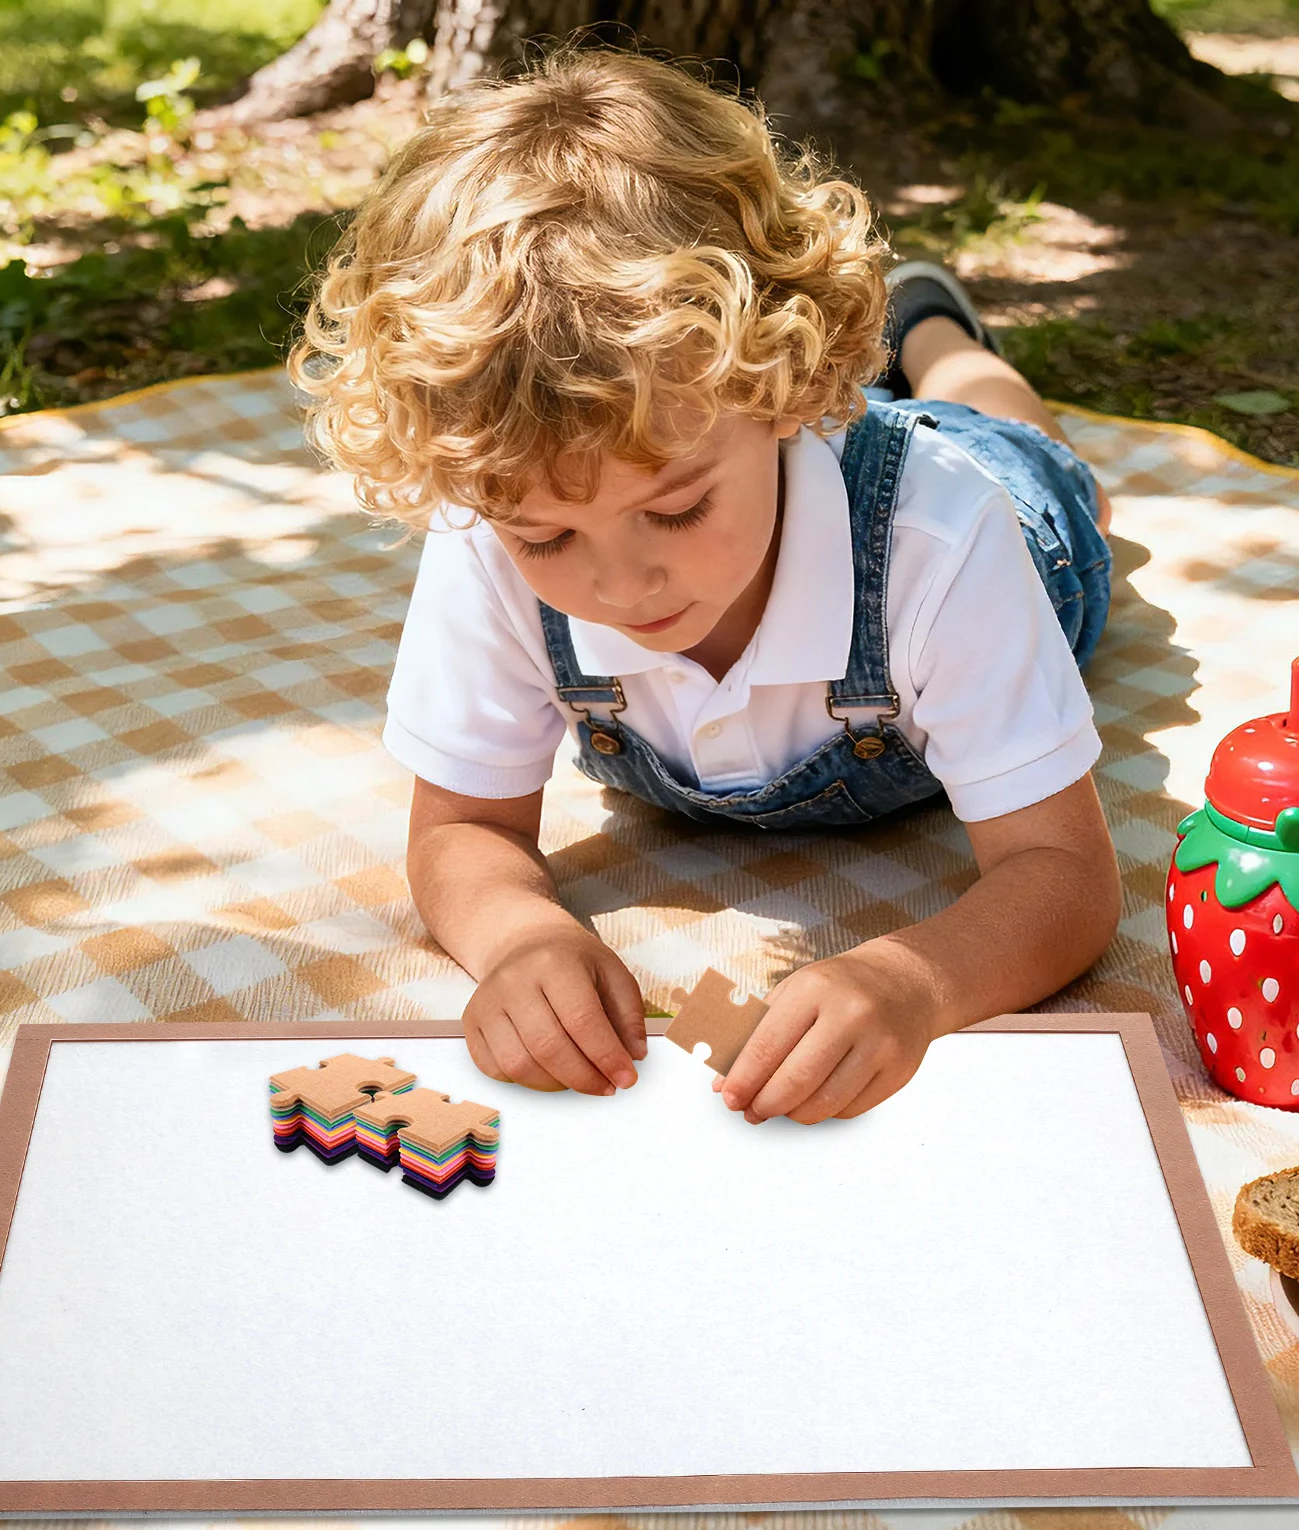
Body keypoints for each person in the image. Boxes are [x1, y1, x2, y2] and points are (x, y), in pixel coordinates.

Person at [291, 45, 1121, 1127]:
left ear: (786, 392)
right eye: (547, 535)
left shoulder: (941, 536)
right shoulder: (487, 534)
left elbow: (1062, 870)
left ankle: (935, 331)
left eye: (676, 508)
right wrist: (522, 938)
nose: (619, 580)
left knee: (1024, 444)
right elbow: (463, 827)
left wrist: (916, 982)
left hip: (1011, 515)